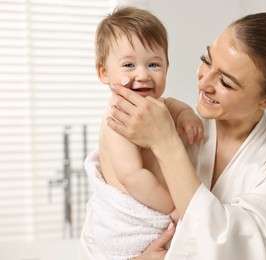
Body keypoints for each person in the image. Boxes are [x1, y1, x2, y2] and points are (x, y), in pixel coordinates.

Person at [107, 12, 266, 260]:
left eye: (226, 83)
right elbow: (107, 216)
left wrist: (166, 145)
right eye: (206, 61)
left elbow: (234, 250)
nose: (203, 84)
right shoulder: (174, 123)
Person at [79, 6, 203, 260]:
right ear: (104, 72)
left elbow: (173, 105)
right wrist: (172, 206)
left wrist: (186, 115)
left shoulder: (157, 105)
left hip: (155, 204)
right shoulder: (118, 118)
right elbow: (132, 176)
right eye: (128, 65)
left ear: (167, 67)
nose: (143, 74)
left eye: (154, 64)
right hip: (138, 219)